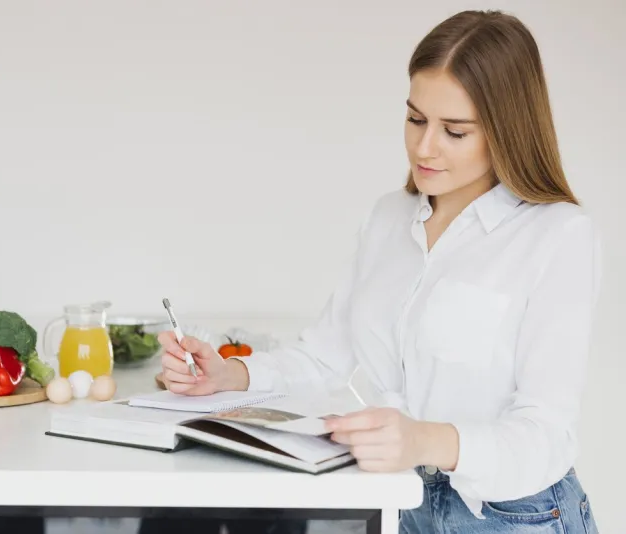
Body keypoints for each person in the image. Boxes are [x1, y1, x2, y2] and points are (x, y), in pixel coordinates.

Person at [157, 9, 601, 534]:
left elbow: (546, 434)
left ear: (507, 131)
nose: (423, 147)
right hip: (397, 502)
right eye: (415, 119)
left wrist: (425, 439)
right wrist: (230, 376)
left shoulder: (558, 234)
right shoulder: (389, 217)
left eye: (454, 131)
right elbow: (326, 355)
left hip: (511, 517)